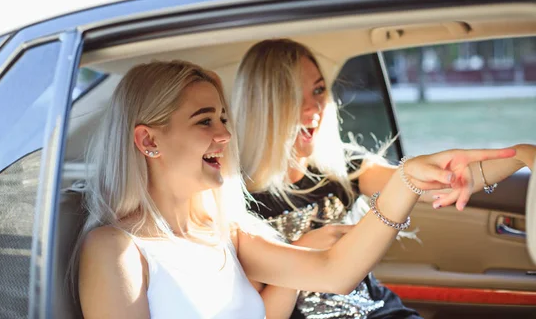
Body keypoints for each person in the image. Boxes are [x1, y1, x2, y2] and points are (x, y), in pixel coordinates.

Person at [72, 59, 520, 319]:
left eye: (224, 119)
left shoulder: (225, 236)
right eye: (204, 120)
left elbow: (332, 271)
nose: (225, 136)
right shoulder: (117, 249)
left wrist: (404, 181)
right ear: (149, 140)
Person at [231, 39, 535, 319]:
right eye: (292, 95)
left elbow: (440, 183)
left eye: (319, 90)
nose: (313, 108)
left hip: (381, 311)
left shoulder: (344, 169)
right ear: (262, 104)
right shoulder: (238, 202)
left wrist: (521, 154)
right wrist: (303, 249)